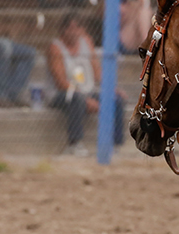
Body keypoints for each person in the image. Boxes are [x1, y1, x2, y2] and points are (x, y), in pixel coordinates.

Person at [47, 13, 125, 155]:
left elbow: (97, 71)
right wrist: (84, 99)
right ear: (62, 30)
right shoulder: (55, 47)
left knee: (116, 99)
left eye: (77, 28)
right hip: (64, 93)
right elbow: (60, 82)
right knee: (77, 100)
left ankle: (114, 145)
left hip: (87, 91)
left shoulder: (86, 42)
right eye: (70, 28)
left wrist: (110, 89)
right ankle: (74, 144)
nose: (74, 32)